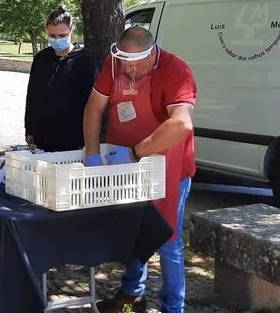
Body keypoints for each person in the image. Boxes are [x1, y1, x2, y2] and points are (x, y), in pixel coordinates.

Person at [83, 26, 197, 313]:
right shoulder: (114, 63)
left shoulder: (175, 70)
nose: (129, 70)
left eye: (136, 64)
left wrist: (135, 153)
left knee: (167, 239)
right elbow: (94, 108)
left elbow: (181, 124)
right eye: (125, 63)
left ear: (152, 55)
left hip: (168, 166)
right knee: (133, 232)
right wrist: (93, 155)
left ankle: (173, 307)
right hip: (126, 167)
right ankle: (131, 295)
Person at [24, 8, 100, 152]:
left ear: (71, 30)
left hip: (74, 140)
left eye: (62, 35)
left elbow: (94, 105)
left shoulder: (87, 61)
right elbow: (32, 96)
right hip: (42, 138)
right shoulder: (41, 59)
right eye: (52, 35)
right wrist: (29, 129)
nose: (57, 39)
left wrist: (90, 141)